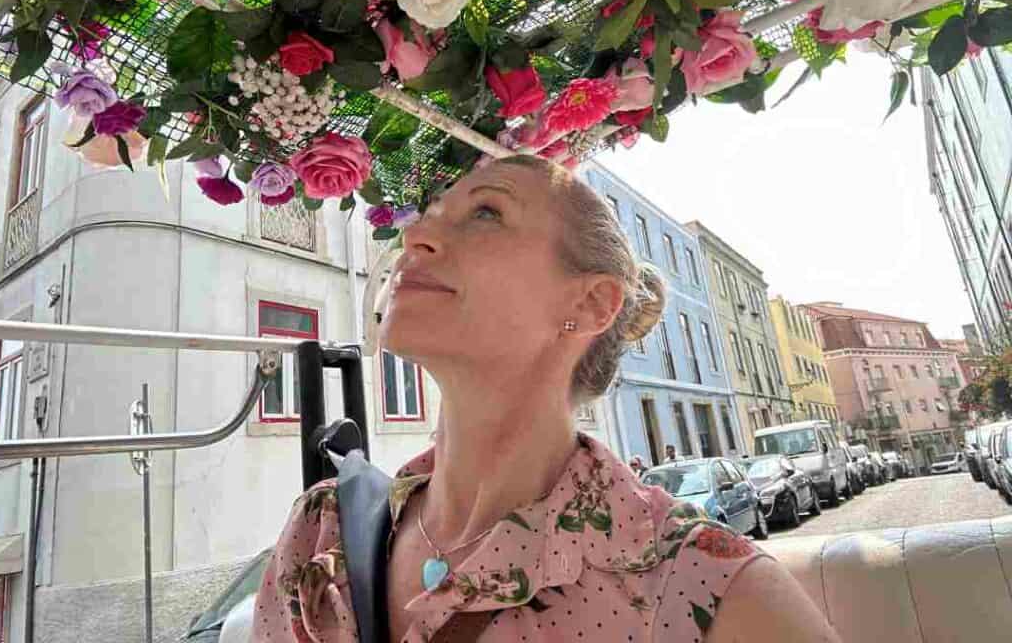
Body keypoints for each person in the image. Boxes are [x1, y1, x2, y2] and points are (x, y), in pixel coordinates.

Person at [253, 155, 840, 643]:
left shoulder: (699, 583)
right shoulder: (319, 527)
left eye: (486, 212)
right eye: (429, 214)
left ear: (588, 305)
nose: (415, 236)